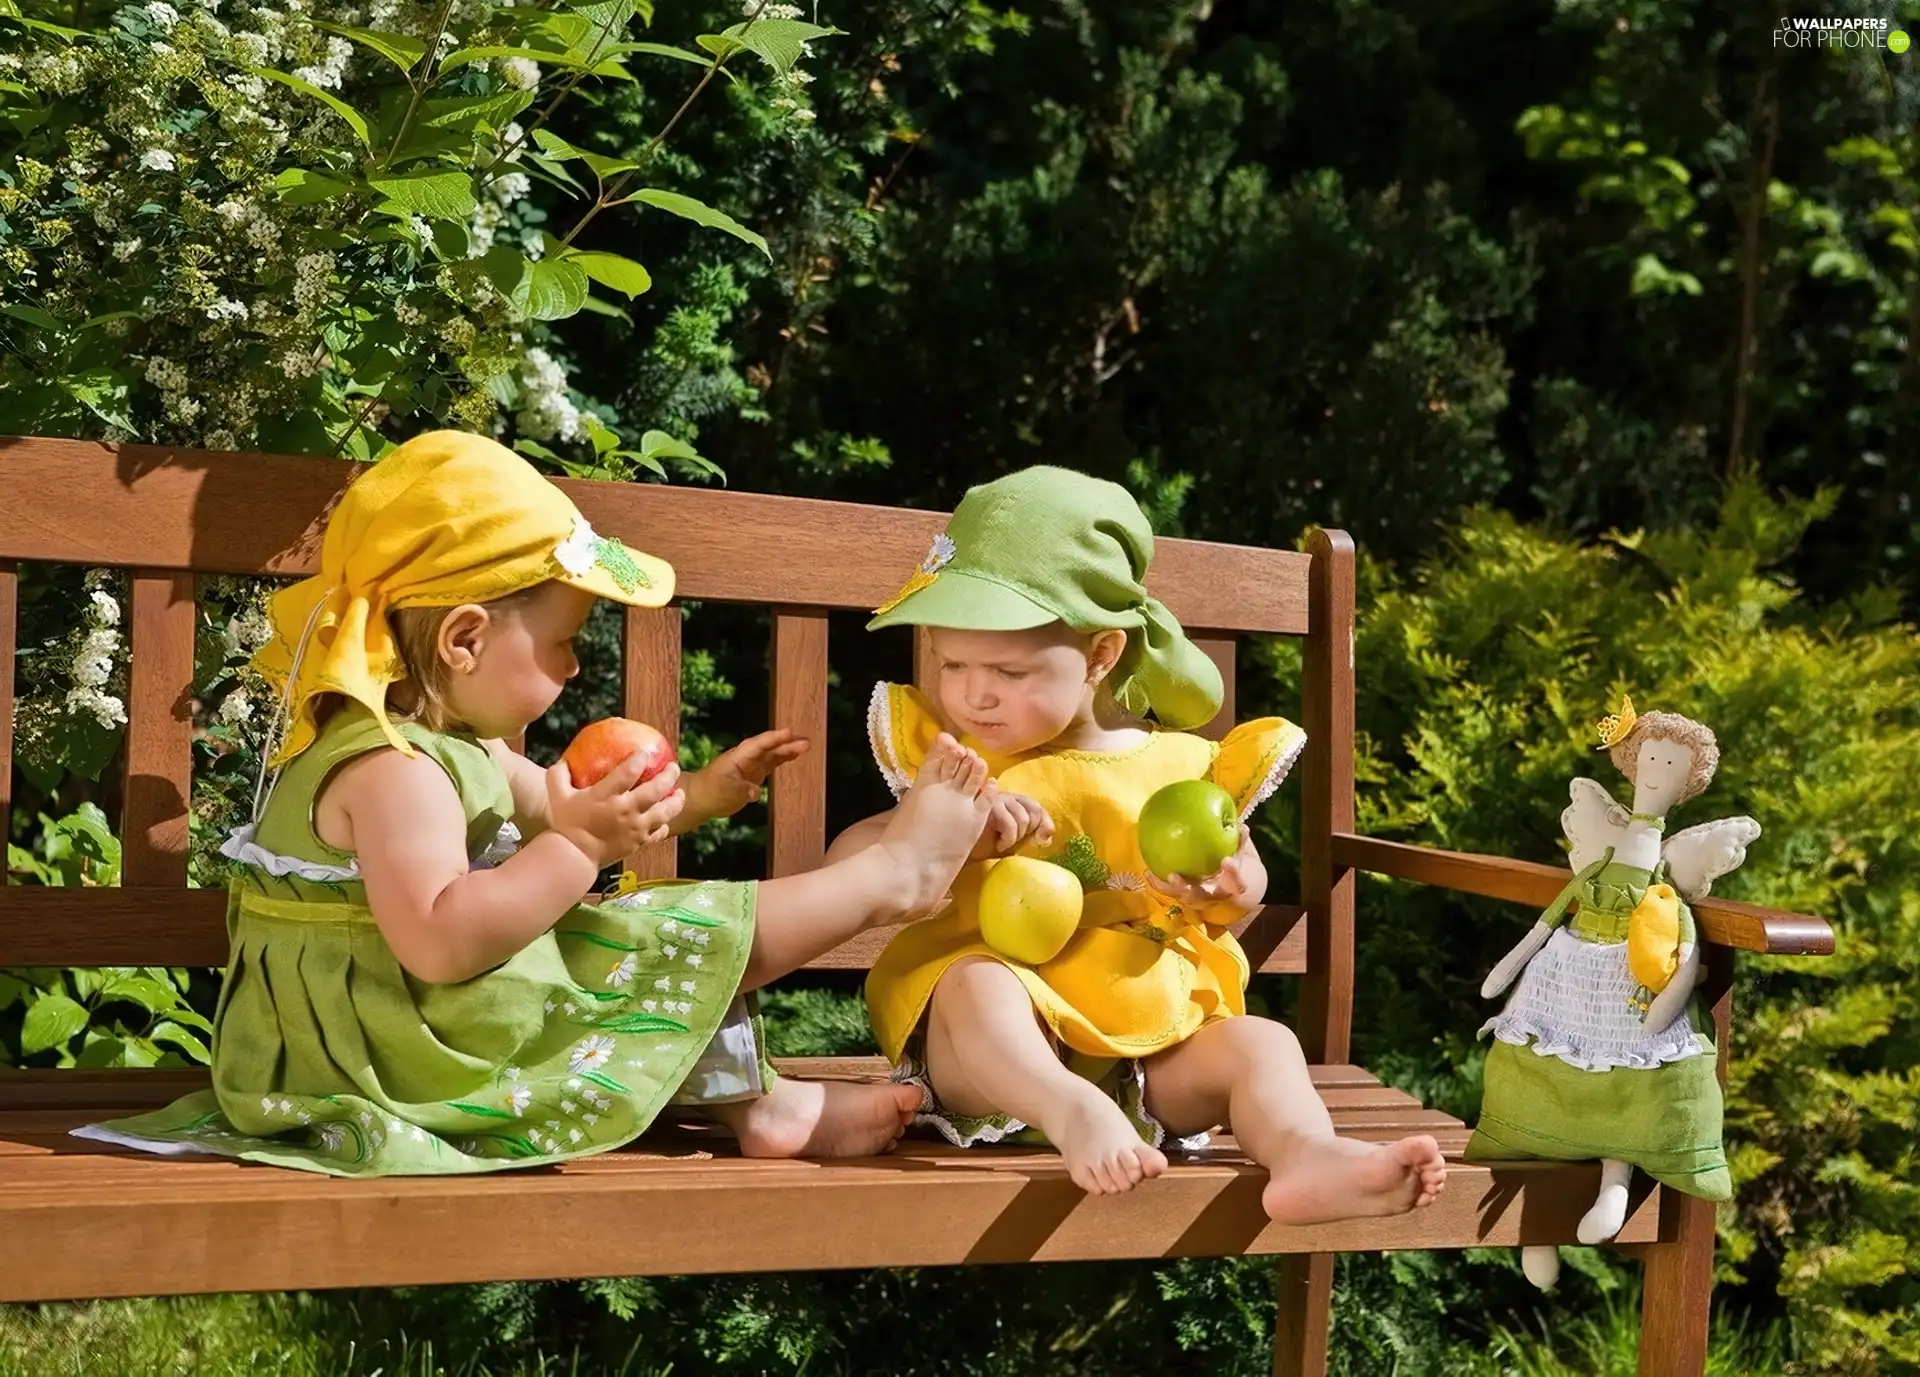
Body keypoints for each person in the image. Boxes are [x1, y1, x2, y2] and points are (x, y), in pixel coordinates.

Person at [79, 430, 991, 1175]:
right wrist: (581, 856)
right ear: (466, 640)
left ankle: (769, 1105)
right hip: (379, 1049)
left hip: (418, 1016)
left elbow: (566, 814)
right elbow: (442, 939)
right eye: (562, 641)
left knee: (626, 938)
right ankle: (888, 876)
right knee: (625, 936)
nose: (574, 665)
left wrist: (707, 793)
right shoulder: (395, 774)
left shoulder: (460, 745)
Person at [829, 467, 1447, 1223]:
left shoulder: (1180, 769)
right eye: (951, 663)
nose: (972, 693)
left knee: (1263, 1043)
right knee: (976, 983)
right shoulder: (957, 768)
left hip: (1151, 1049)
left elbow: (1241, 874)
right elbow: (848, 864)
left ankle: (1304, 1153)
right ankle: (1071, 1110)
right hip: (1000, 1065)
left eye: (1007, 669)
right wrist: (937, 827)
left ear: (1099, 655)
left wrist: (1230, 885)